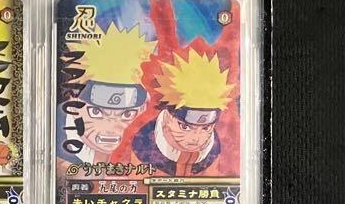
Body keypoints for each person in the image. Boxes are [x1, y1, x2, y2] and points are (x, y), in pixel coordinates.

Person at [60, 21, 156, 165]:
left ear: (143, 108)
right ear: (74, 105)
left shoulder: (150, 152)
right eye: (96, 112)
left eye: (127, 114)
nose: (111, 128)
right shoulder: (54, 142)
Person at [131, 48, 236, 176]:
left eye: (206, 128)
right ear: (168, 116)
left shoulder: (213, 149)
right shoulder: (143, 144)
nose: (195, 138)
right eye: (185, 127)